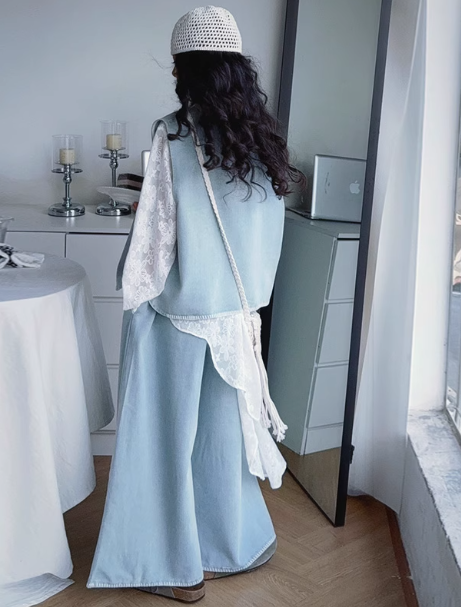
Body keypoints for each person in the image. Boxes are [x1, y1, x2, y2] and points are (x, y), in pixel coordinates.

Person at [87, 6, 303, 603]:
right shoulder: (262, 140)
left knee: (160, 441)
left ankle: (172, 566)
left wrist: (133, 295)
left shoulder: (175, 134)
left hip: (178, 315)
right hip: (236, 316)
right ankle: (226, 547)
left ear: (185, 68)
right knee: (218, 438)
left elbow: (156, 239)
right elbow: (266, 232)